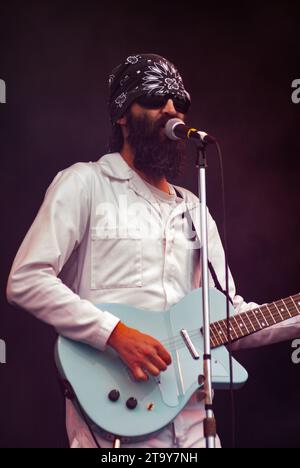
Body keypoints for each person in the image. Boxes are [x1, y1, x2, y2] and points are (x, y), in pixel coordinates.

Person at [6, 53, 300, 448]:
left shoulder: (194, 209)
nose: (170, 110)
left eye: (178, 102)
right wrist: (114, 333)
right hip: (114, 422)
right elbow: (27, 278)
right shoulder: (85, 184)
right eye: (154, 99)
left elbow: (229, 315)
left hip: (194, 423)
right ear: (122, 115)